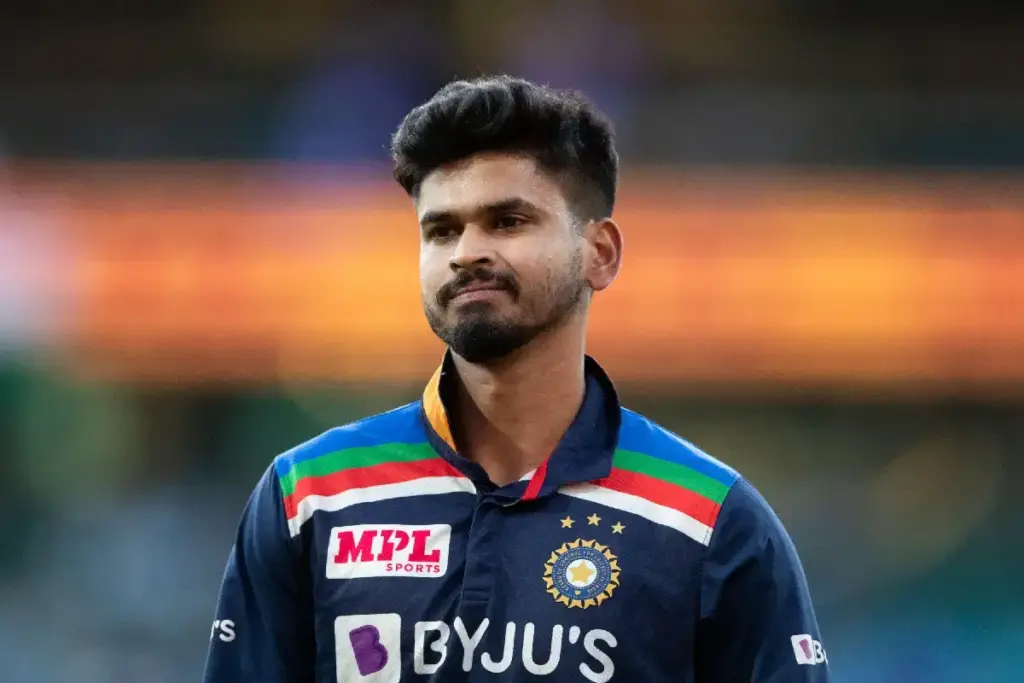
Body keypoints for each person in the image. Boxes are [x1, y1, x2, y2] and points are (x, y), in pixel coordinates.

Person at [202, 75, 830, 683]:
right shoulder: (310, 494)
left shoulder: (708, 519)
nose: (465, 252)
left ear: (600, 253)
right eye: (441, 230)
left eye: (507, 221)